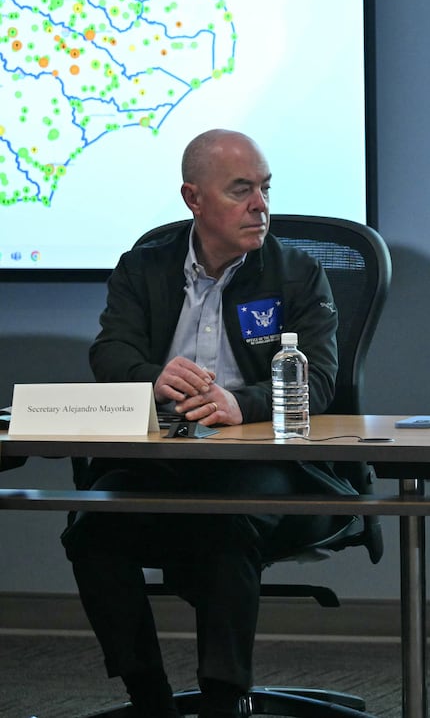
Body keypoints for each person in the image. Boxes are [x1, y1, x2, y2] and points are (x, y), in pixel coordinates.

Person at [64, 129, 359, 718]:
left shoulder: (296, 274)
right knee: (92, 530)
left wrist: (240, 403)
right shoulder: (143, 268)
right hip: (161, 460)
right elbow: (109, 353)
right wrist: (151, 377)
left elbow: (320, 384)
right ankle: (150, 700)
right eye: (241, 190)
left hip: (269, 464)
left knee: (224, 522)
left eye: (265, 189)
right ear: (192, 199)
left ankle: (224, 701)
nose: (261, 206)